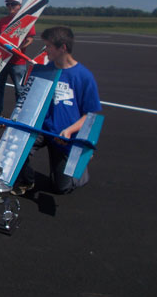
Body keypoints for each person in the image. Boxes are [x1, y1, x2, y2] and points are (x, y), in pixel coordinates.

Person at [12, 26, 102, 195]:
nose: (45, 51)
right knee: (16, 147)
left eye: (49, 46)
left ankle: (80, 168)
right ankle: (27, 180)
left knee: (62, 187)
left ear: (63, 48)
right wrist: (16, 120)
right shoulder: (42, 70)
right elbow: (26, 100)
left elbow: (90, 115)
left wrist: (69, 131)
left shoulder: (83, 76)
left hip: (64, 135)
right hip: (40, 129)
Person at [0, 0, 35, 116]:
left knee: (20, 90)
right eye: (8, 4)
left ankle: (20, 114)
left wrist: (20, 48)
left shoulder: (26, 21)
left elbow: (30, 39)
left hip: (18, 62)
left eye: (13, 4)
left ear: (20, 6)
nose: (10, 6)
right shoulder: (3, 21)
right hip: (2, 60)